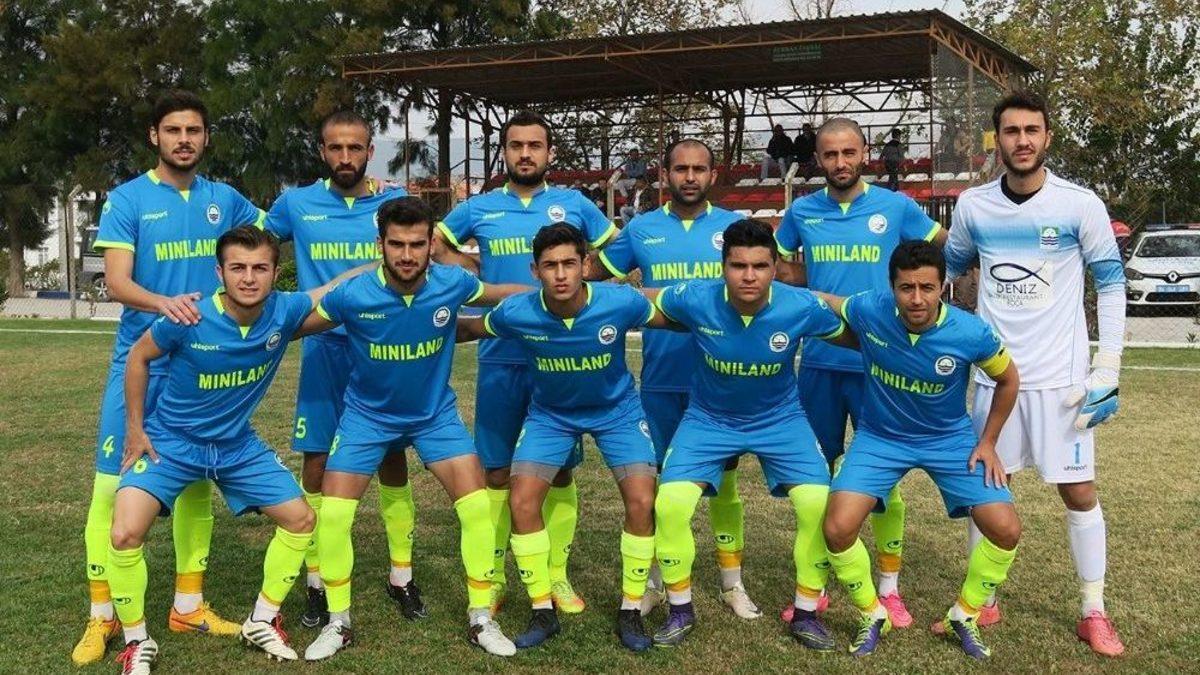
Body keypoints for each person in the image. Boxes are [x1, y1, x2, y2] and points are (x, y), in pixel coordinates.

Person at [108, 226, 359, 674]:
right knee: (125, 532)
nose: (248, 277)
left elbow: (334, 290)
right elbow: (138, 357)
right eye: (237, 267)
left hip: (235, 445)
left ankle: (261, 620)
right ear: (219, 272)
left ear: (275, 273)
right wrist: (134, 428)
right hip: (172, 443)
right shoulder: (188, 316)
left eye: (259, 268)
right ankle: (137, 642)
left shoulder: (283, 311)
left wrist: (384, 265)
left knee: (301, 519)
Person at [74, 90, 265, 666]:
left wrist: (367, 201)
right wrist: (166, 304)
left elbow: (279, 227)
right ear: (154, 136)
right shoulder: (128, 198)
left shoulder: (224, 199)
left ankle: (188, 605)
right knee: (110, 487)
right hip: (141, 360)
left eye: (194, 130)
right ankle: (102, 615)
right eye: (174, 130)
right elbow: (117, 282)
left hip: (199, 368)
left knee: (196, 482)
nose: (185, 139)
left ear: (206, 138)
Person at [943, 91, 1128, 657]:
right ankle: (982, 599)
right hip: (993, 378)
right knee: (985, 490)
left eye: (1031, 130)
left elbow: (1111, 284)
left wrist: (1108, 367)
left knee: (1078, 491)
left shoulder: (1080, 204)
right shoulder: (973, 206)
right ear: (996, 140)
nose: (1021, 141)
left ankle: (1093, 611)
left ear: (1047, 137)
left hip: (1061, 381)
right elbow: (946, 273)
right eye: (1011, 131)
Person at [301, 197, 525, 660]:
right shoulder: (353, 294)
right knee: (335, 515)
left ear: (431, 245)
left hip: (433, 416)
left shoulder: (452, 283)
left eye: (417, 244)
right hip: (366, 418)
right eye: (397, 244)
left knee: (477, 507)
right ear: (380, 244)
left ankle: (481, 617)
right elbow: (296, 324)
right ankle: (339, 622)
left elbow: (498, 292)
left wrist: (556, 292)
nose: (407, 255)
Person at [434, 110, 618, 615]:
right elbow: (438, 245)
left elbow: (614, 247)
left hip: (561, 361)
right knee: (495, 472)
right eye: (516, 145)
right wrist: (476, 273)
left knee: (558, 472)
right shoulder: (480, 207)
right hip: (501, 357)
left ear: (549, 152)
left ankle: (556, 575)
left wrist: (583, 283)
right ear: (506, 151)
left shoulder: (573, 203)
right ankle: (493, 579)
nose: (525, 153)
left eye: (535, 145)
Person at [644, 219, 855, 650]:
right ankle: (680, 609)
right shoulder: (696, 298)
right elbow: (639, 302)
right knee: (669, 505)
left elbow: (856, 334)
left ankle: (807, 613)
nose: (749, 276)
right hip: (708, 420)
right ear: (722, 267)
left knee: (817, 505)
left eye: (760, 266)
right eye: (738, 265)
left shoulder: (800, 306)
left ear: (776, 267)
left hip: (780, 421)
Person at [458, 223, 669, 652]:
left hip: (618, 413)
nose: (560, 274)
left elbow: (679, 317)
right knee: (521, 501)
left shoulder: (620, 301)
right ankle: (542, 610)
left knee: (642, 500)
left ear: (585, 265)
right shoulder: (517, 311)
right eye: (550, 265)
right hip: (550, 417)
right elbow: (471, 329)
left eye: (569, 263)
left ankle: (630, 610)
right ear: (534, 270)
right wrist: (413, 322)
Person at [774, 117, 946, 627]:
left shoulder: (896, 206)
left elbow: (944, 249)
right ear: (817, 159)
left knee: (883, 479)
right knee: (816, 479)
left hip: (881, 367)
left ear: (865, 152)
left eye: (849, 152)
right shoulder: (802, 211)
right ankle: (816, 585)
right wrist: (813, 284)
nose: (840, 162)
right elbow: (776, 266)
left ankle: (889, 589)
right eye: (830, 155)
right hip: (820, 363)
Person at [820, 241, 1022, 659]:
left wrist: (987, 441)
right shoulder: (870, 309)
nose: (916, 299)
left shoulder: (970, 331)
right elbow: (825, 302)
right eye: (906, 288)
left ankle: (964, 614)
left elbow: (1009, 380)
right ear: (891, 287)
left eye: (927, 288)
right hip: (880, 438)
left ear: (943, 286)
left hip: (948, 440)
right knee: (837, 528)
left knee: (1005, 529)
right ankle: (872, 613)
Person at [588, 138, 759, 619]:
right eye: (680, 169)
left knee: (724, 485)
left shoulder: (734, 228)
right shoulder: (641, 229)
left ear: (712, 174)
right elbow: (593, 276)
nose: (689, 177)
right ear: (665, 174)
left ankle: (732, 584)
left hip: (720, 381)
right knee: (661, 486)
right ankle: (656, 580)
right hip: (661, 379)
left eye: (699, 169)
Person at [264, 110, 421, 628]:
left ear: (370, 150)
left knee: (392, 458)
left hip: (381, 350)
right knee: (316, 462)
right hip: (323, 351)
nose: (346, 157)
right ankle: (315, 580)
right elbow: (254, 244)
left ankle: (402, 574)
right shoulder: (296, 203)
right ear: (322, 151)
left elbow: (427, 254)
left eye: (355, 147)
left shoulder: (393, 202)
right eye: (336, 147)